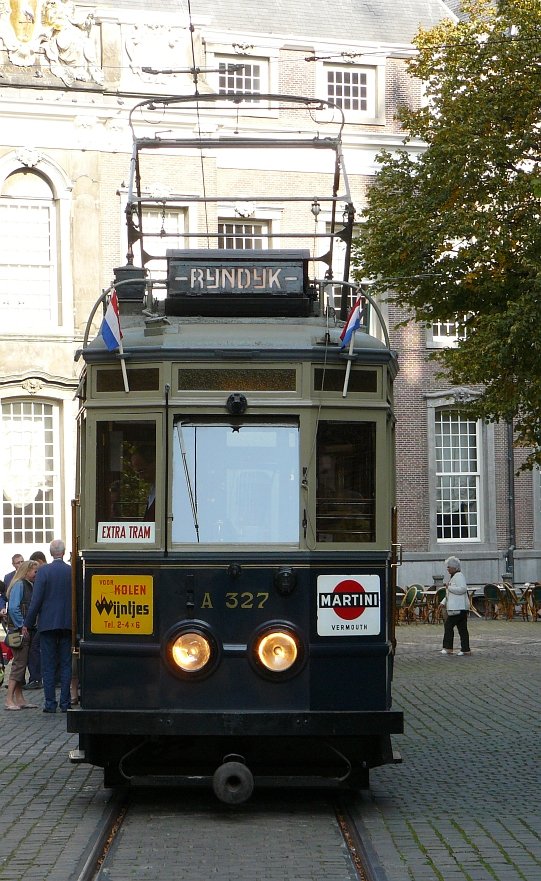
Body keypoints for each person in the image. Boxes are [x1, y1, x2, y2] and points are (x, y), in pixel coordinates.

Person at [22, 539, 72, 713]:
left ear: (51, 553)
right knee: (66, 664)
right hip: (67, 623)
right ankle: (65, 703)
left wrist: (27, 623)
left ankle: (50, 703)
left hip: (48, 623)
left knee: (48, 664)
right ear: (63, 553)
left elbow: (36, 601)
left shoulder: (44, 572)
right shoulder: (71, 571)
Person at [4, 559, 39, 710]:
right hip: (20, 631)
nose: (36, 574)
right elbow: (13, 608)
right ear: (27, 571)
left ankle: (19, 698)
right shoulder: (20, 585)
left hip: (24, 630)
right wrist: (22, 624)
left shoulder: (26, 584)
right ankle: (9, 699)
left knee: (22, 664)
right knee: (19, 664)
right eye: (35, 571)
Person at [24, 551, 47, 689]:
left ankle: (36, 678)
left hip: (43, 621)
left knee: (35, 648)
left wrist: (26, 623)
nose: (37, 573)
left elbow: (35, 602)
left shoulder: (43, 576)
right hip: (52, 620)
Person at [441, 556, 471, 656]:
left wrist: (449, 588)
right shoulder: (454, 577)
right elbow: (449, 593)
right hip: (458, 607)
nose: (448, 569)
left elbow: (462, 589)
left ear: (454, 567)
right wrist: (443, 602)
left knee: (448, 626)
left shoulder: (459, 576)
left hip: (458, 607)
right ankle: (465, 649)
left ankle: (448, 647)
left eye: (449, 567)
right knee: (462, 629)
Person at [131, 446, 156, 521]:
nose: (140, 476)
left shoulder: (167, 490)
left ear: (154, 464)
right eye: (137, 472)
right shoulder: (153, 489)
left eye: (142, 471)